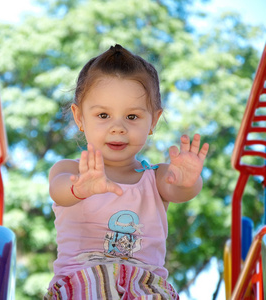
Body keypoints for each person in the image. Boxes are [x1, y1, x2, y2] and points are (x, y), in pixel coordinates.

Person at [45, 44, 209, 300]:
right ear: (79, 117)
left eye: (132, 117)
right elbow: (59, 191)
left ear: (153, 121)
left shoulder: (155, 178)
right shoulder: (71, 170)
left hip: (145, 285)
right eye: (103, 115)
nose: (118, 128)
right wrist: (80, 187)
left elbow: (179, 189)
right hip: (82, 282)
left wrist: (188, 180)